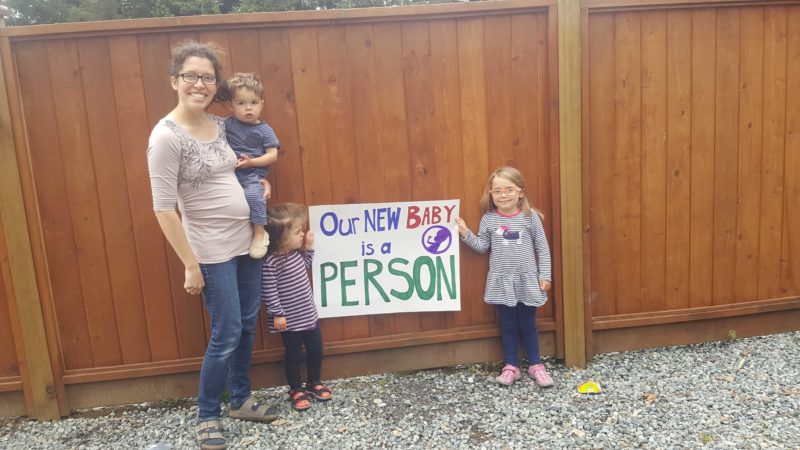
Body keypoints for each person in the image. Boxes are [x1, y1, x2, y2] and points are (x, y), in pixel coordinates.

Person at [146, 41, 278, 450]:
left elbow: (244, 162)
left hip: (247, 242)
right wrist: (190, 264)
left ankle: (240, 399)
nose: (199, 84)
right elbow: (163, 209)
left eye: (207, 77)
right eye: (191, 76)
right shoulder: (166, 137)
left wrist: (260, 182)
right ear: (174, 80)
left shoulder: (222, 125)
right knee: (226, 331)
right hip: (211, 250)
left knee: (247, 322)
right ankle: (207, 414)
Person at [456, 166, 554, 388]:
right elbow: (482, 246)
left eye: (509, 189)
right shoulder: (489, 219)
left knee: (528, 324)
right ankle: (511, 366)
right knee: (508, 325)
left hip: (527, 281)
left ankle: (536, 365)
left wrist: (545, 275)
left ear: (520, 192)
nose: (503, 195)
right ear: (491, 194)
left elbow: (542, 247)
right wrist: (465, 232)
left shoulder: (530, 217)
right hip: (501, 282)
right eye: (497, 191)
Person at [262, 203, 333, 411]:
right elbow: (269, 291)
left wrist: (309, 248)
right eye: (297, 232)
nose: (302, 234)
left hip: (309, 316)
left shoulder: (295, 255)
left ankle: (314, 382)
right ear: (280, 239)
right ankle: (295, 388)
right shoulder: (271, 263)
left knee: (316, 350)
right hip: (289, 321)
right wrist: (277, 314)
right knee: (293, 355)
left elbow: (305, 265)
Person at [222, 72, 280, 259]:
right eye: (241, 103)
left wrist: (251, 163)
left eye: (254, 103)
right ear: (230, 106)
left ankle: (260, 234)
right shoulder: (225, 125)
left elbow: (272, 155)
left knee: (254, 197)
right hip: (228, 175)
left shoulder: (264, 130)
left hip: (251, 175)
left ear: (261, 104)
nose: (248, 108)